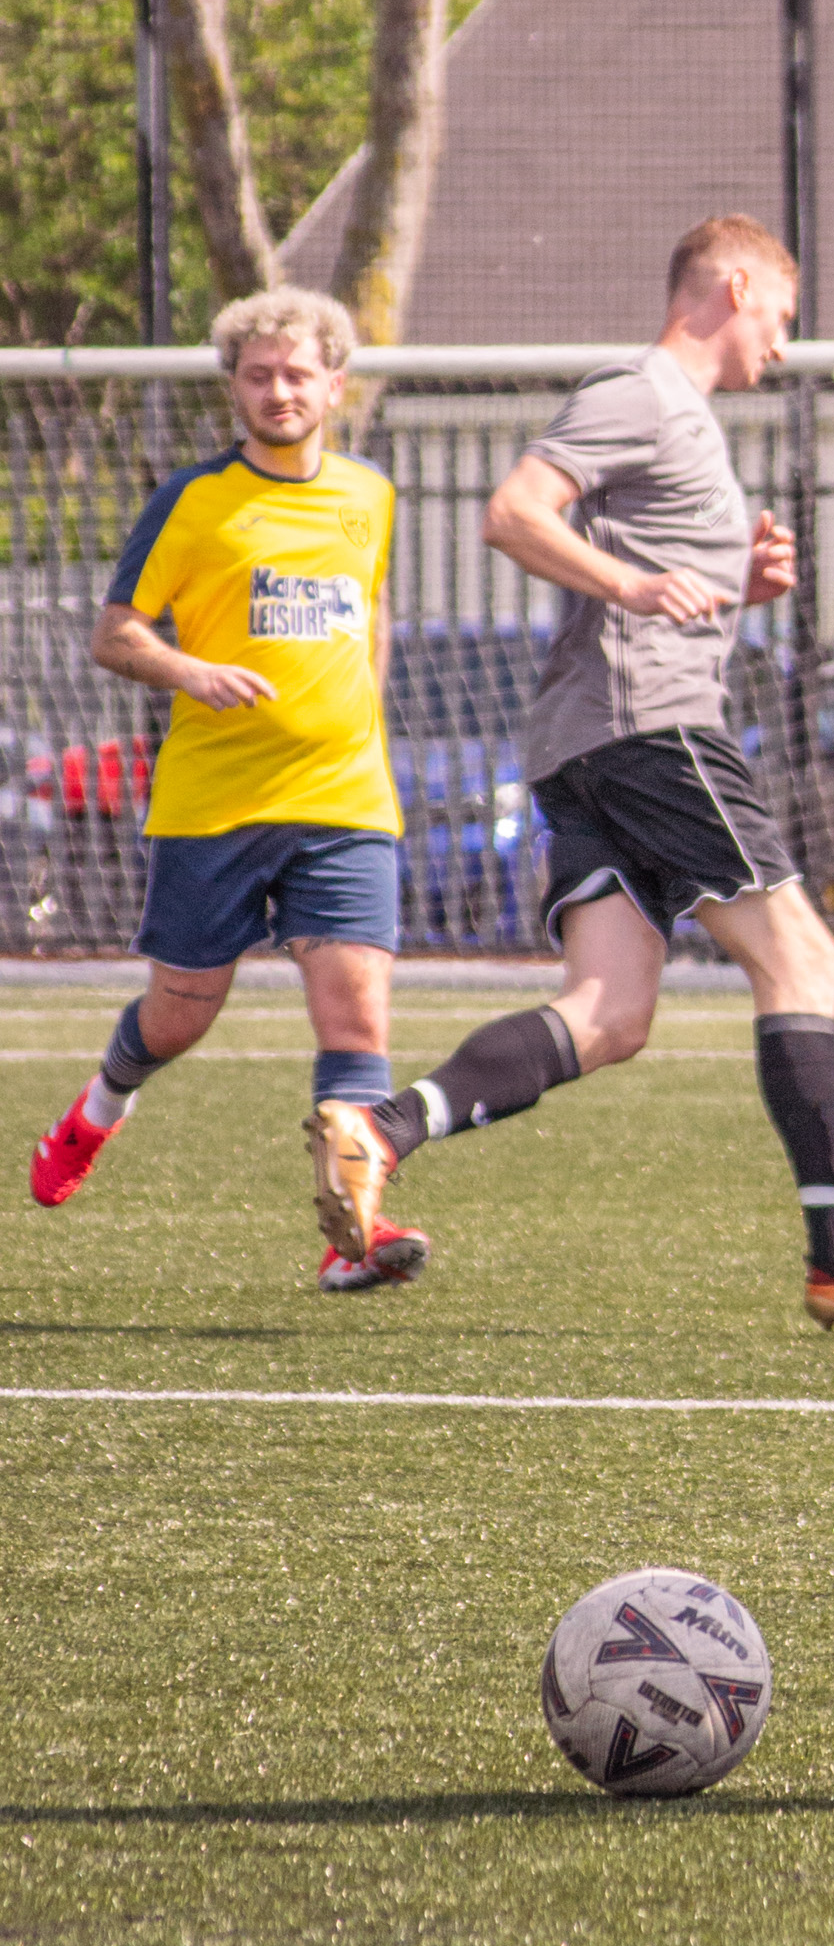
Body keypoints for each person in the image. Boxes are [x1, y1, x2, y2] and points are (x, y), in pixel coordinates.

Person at [307, 213, 834, 1331]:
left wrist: (740, 586)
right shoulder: (641, 390)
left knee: (610, 1013)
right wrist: (631, 590)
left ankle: (379, 1131)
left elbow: (650, 562)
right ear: (729, 287)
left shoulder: (688, 425)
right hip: (652, 732)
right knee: (802, 953)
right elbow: (514, 512)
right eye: (779, 310)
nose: (782, 337)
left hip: (588, 744)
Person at [31, 286, 428, 1294]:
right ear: (236, 390)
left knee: (357, 1022)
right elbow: (115, 633)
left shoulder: (370, 495)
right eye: (260, 375)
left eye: (298, 374)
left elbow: (368, 618)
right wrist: (193, 673)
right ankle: (95, 1112)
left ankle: (357, 1237)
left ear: (335, 385)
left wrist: (358, 726)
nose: (279, 390)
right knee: (182, 1017)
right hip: (213, 807)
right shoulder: (194, 500)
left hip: (342, 803)